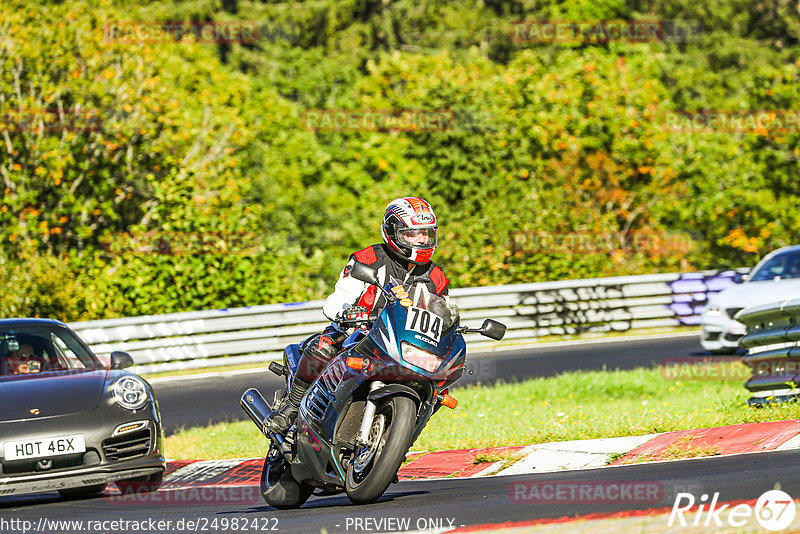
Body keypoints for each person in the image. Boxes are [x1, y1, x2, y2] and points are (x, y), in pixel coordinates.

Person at [264, 197, 450, 434]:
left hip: (403, 344)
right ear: (393, 231)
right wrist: (346, 311)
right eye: (412, 234)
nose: (422, 240)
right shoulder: (367, 259)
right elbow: (337, 298)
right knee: (323, 347)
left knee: (436, 388)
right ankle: (290, 409)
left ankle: (398, 441)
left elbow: (442, 315)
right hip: (357, 332)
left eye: (426, 233)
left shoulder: (437, 277)